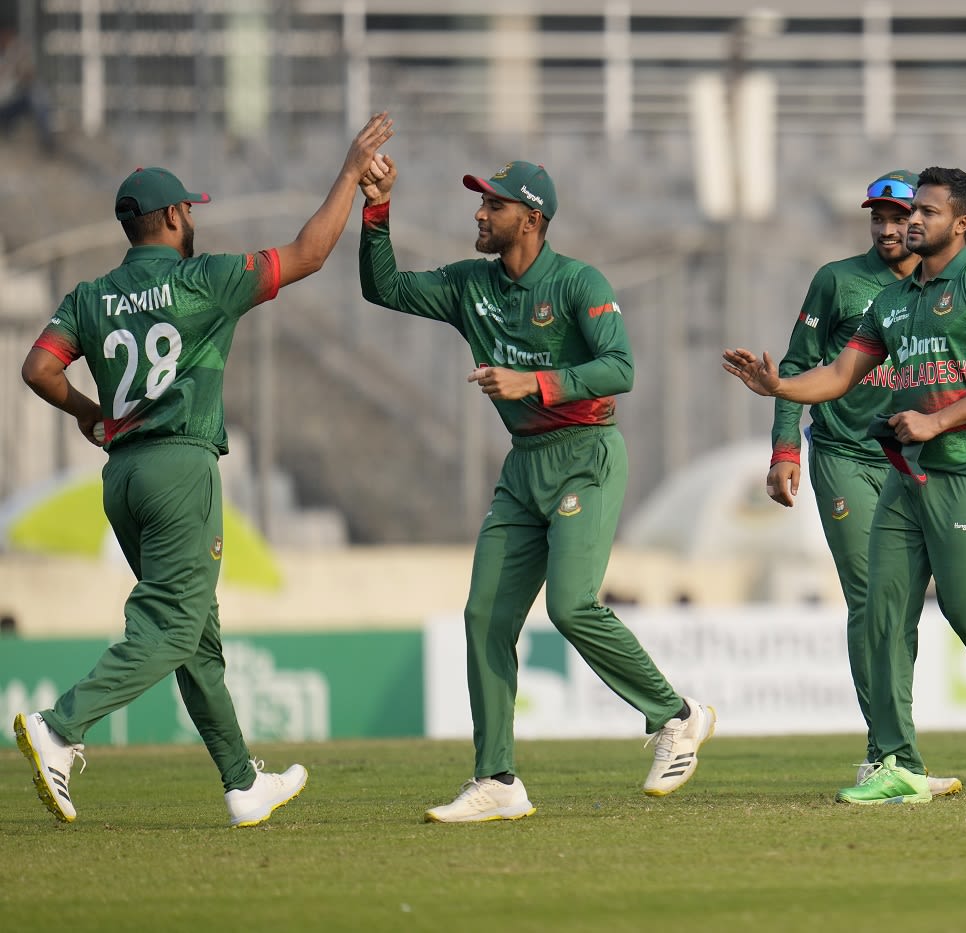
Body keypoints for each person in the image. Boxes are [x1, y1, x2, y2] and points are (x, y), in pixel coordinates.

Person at [14, 113, 396, 827]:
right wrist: (349, 173)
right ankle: (60, 728)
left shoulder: (90, 296)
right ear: (170, 217)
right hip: (181, 468)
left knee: (196, 634)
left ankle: (241, 782)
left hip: (121, 478)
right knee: (171, 624)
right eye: (188, 207)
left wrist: (87, 411)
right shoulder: (205, 279)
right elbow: (310, 253)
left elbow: (38, 368)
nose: (193, 217)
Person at [357, 153, 716, 823]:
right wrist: (376, 209)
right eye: (481, 202)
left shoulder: (579, 282)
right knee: (485, 618)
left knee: (573, 604)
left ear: (531, 218)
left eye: (492, 205)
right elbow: (385, 290)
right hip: (524, 466)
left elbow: (621, 367)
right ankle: (497, 779)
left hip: (586, 457)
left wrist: (534, 383)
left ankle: (678, 715)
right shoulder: (471, 284)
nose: (479, 213)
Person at [724, 167, 966, 804]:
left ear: (961, 223)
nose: (910, 221)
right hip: (908, 474)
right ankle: (895, 760)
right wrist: (781, 388)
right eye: (908, 211)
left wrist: (936, 420)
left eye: (925, 211)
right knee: (882, 609)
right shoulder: (892, 302)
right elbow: (842, 372)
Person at [767, 170, 920, 782]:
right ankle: (884, 751)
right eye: (876, 217)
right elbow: (797, 364)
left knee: (903, 606)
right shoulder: (838, 280)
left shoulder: (950, 288)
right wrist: (784, 448)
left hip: (917, 463)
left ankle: (897, 745)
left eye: (898, 216)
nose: (886, 228)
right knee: (870, 595)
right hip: (845, 455)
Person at [0, 27, 55, 153]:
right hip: (3, 107)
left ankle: (46, 141)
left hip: (12, 104)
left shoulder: (15, 55)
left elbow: (28, 77)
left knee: (39, 94)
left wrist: (19, 60)